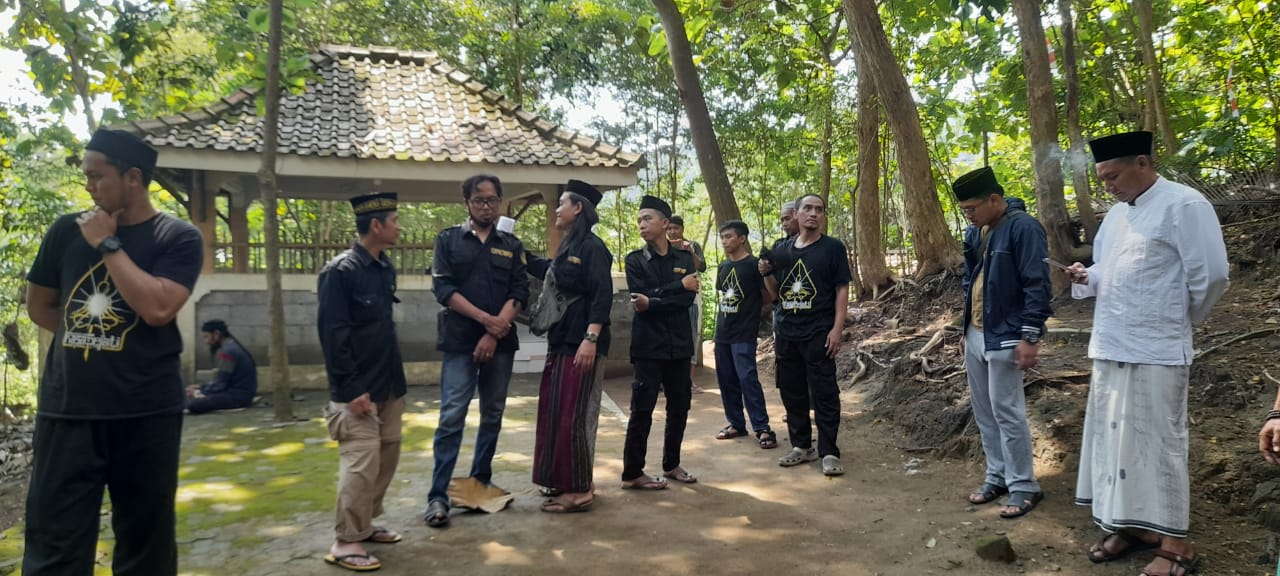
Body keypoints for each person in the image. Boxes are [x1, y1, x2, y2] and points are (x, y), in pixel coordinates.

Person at [23, 129, 203, 575]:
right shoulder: (65, 231)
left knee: (146, 542)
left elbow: (158, 308)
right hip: (69, 410)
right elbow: (40, 306)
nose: (88, 186)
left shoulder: (177, 237)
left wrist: (108, 245)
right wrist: (93, 339)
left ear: (133, 178)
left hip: (146, 412)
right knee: (54, 543)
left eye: (96, 176)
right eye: (86, 177)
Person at [1065, 131, 1228, 575]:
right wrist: (1087, 277)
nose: (1108, 186)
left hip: (1157, 348)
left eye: (1113, 176)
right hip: (1111, 342)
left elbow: (1212, 276)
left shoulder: (1185, 205)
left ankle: (1176, 545)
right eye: (1102, 179)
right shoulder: (1117, 216)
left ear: (1142, 162)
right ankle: (1134, 527)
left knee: (1160, 444)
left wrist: (1176, 320)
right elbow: (1108, 270)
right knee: (1117, 442)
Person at [426, 174, 529, 527]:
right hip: (460, 342)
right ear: (467, 203)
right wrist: (487, 321)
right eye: (479, 200)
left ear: (500, 202)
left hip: (500, 344)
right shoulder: (449, 240)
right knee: (452, 415)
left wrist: (495, 331)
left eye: (492, 200)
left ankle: (478, 484)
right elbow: (443, 289)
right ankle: (438, 496)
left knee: (493, 414)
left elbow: (519, 291)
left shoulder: (511, 245)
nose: (486, 206)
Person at [951, 167, 1052, 518]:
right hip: (976, 333)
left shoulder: (1024, 228)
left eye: (972, 208)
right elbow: (970, 279)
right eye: (964, 210)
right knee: (984, 411)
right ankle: (997, 475)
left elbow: (1037, 283)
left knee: (1007, 411)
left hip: (1007, 334)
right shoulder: (974, 231)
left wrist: (1030, 334)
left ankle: (1024, 484)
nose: (968, 215)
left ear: (994, 199)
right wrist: (964, 330)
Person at [317, 192, 409, 572]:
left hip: (388, 383)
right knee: (360, 464)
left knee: (386, 458)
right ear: (376, 225)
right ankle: (345, 541)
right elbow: (333, 335)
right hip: (358, 390)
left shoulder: (383, 268)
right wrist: (352, 389)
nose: (399, 227)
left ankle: (364, 525)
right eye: (394, 221)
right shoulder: (340, 272)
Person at [527, 179, 614, 513]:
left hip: (582, 344)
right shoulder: (568, 247)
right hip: (561, 342)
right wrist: (520, 254)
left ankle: (579, 490)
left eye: (562, 203)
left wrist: (591, 339)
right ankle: (562, 480)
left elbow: (602, 294)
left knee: (573, 417)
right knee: (554, 414)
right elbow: (551, 274)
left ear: (578, 208)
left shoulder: (593, 247)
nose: (557, 209)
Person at [764, 194, 850, 476]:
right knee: (792, 391)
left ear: (823, 216)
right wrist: (766, 273)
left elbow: (841, 289)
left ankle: (829, 451)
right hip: (787, 332)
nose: (814, 213)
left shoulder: (833, 248)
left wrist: (837, 329)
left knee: (824, 392)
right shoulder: (782, 250)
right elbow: (775, 294)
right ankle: (801, 445)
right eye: (808, 208)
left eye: (819, 209)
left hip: (819, 331)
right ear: (797, 214)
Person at [622, 195, 700, 490]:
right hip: (648, 347)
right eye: (639, 220)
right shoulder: (635, 260)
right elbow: (638, 299)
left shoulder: (684, 258)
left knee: (679, 408)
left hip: (679, 345)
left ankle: (671, 464)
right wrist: (677, 286)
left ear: (665, 223)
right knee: (642, 409)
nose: (641, 224)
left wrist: (654, 300)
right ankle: (632, 473)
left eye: (647, 218)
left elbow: (686, 300)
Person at [712, 220, 776, 449]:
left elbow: (767, 295)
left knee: (747, 378)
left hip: (744, 332)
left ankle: (762, 427)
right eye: (722, 237)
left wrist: (751, 313)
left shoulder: (753, 265)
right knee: (726, 379)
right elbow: (724, 294)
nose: (724, 241)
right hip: (723, 332)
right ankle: (736, 423)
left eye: (728, 236)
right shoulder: (723, 267)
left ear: (742, 239)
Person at [666, 214, 708, 392]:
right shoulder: (662, 247)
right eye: (669, 228)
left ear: (682, 229)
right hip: (669, 299)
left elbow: (702, 266)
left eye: (676, 228)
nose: (672, 232)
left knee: (691, 337)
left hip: (691, 300)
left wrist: (689, 251)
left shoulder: (692, 245)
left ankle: (689, 382)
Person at [186, 320, 258, 414]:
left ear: (216, 334)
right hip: (238, 394)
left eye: (207, 336)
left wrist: (199, 392)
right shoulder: (232, 347)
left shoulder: (228, 352)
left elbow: (220, 385)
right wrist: (200, 387)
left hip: (238, 397)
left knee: (193, 404)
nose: (206, 341)